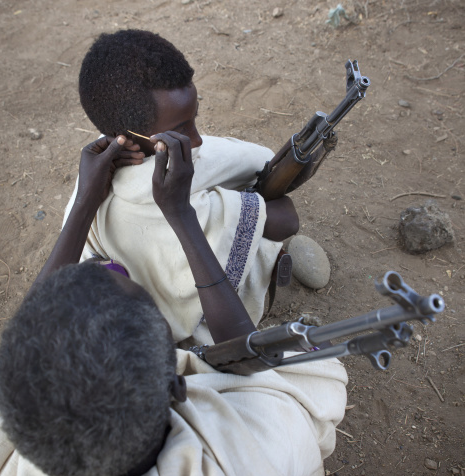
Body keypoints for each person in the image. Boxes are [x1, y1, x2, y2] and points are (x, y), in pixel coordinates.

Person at [0, 134, 347, 476]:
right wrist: (181, 214)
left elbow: (31, 336)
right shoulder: (258, 458)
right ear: (179, 386)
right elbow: (270, 373)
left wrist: (83, 205)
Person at [65, 29, 330, 346]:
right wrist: (245, 202)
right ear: (131, 134)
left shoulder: (92, 171)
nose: (198, 139)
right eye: (180, 130)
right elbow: (285, 219)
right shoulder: (175, 202)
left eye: (194, 119)